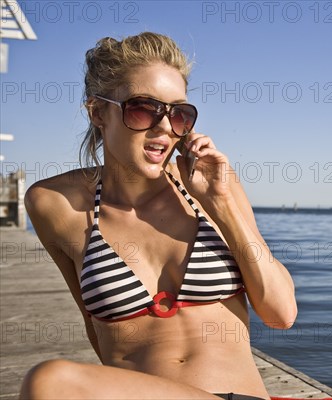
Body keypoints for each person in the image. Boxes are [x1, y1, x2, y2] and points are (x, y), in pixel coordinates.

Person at [21, 32, 297, 400]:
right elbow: (96, 329)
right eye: (143, 109)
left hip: (236, 395)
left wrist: (221, 203)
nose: (165, 127)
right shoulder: (54, 203)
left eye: (179, 114)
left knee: (51, 381)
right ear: (98, 112)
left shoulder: (212, 186)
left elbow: (281, 313)